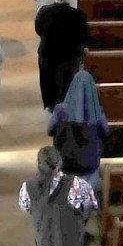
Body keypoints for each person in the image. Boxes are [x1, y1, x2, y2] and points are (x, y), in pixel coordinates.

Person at [47, 69, 109, 199]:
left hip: (66, 163)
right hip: (89, 167)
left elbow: (49, 130)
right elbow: (106, 133)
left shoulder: (60, 110)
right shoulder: (97, 113)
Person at [35, 0, 89, 110]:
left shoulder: (44, 12)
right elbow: (84, 36)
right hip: (70, 56)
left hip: (48, 55)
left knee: (48, 79)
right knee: (67, 81)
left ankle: (51, 105)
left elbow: (38, 29)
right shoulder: (78, 15)